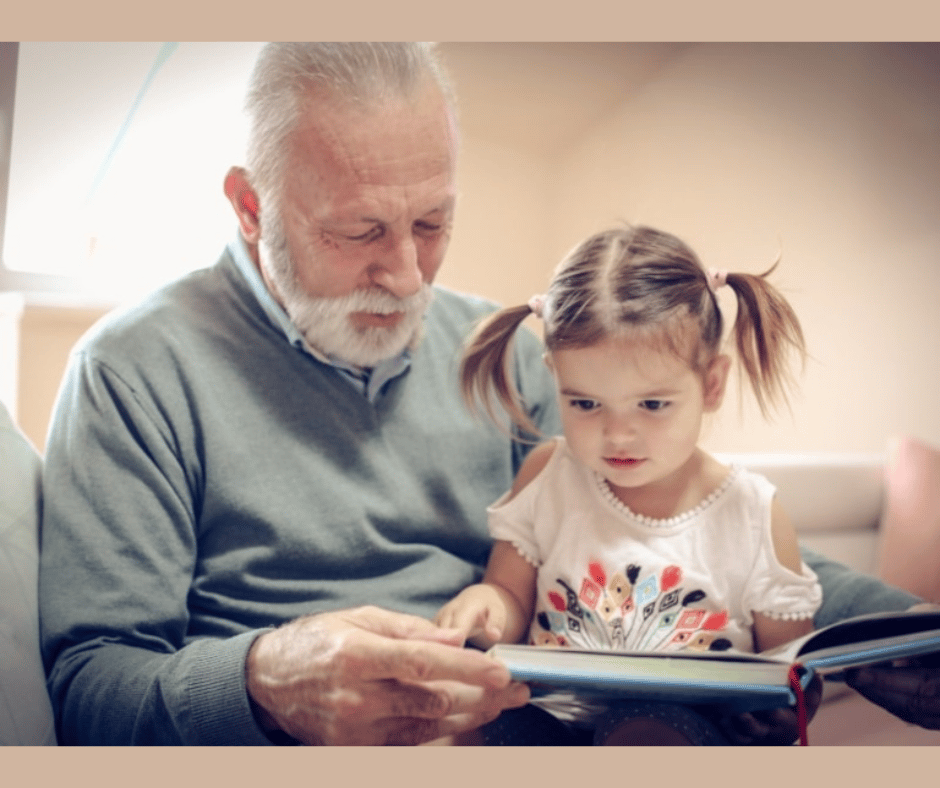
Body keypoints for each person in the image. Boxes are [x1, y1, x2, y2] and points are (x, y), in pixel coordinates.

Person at [36, 42, 938, 747]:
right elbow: (90, 687)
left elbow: (694, 517)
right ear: (249, 206)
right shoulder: (132, 370)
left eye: (433, 223)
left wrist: (897, 630)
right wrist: (264, 680)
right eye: (358, 231)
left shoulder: (504, 352)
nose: (404, 274)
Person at [436, 224, 827, 745]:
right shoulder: (550, 475)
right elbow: (511, 594)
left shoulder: (752, 512)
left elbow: (790, 668)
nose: (617, 434)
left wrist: (782, 708)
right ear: (555, 378)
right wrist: (487, 604)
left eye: (652, 404)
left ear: (711, 384)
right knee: (474, 727)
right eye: (585, 404)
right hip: (553, 716)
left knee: (646, 728)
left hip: (686, 730)